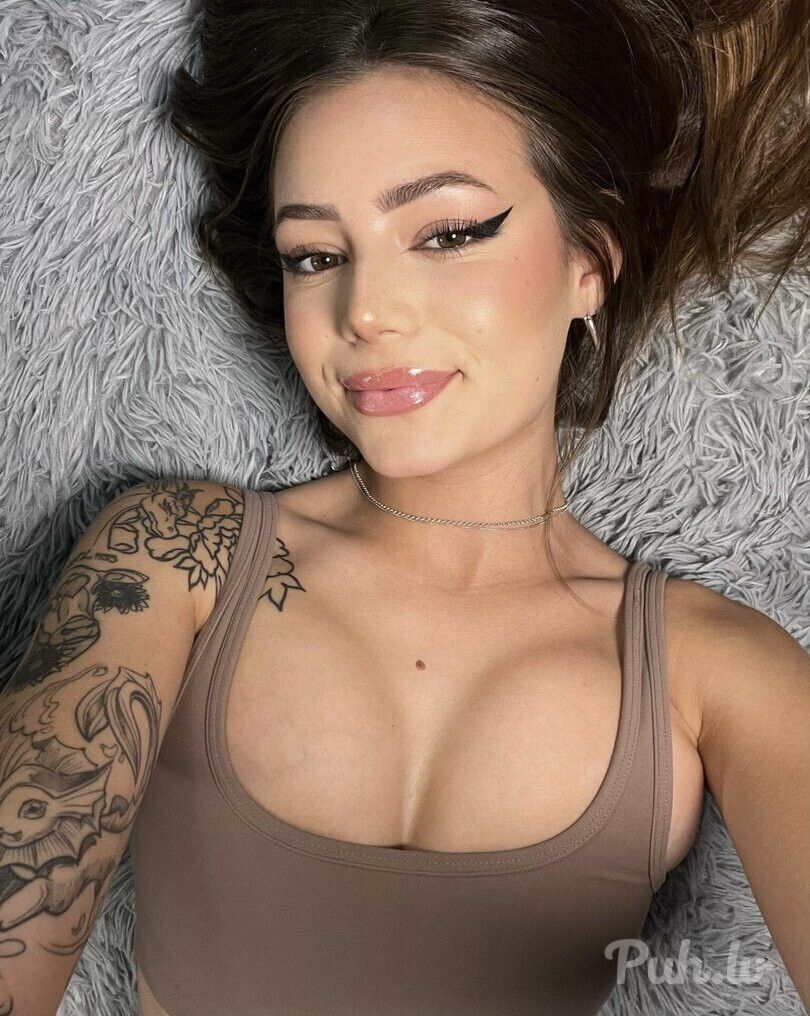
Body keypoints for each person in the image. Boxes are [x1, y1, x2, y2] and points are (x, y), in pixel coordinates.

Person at [2, 1, 808, 1014]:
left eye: (448, 233)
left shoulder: (717, 671)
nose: (366, 310)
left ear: (588, 262)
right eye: (315, 254)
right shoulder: (174, 556)